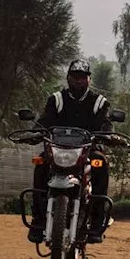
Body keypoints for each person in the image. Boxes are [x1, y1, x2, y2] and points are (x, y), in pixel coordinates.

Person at [27, 59, 113, 243]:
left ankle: (97, 223)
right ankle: (38, 220)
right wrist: (35, 132)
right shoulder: (57, 99)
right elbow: (45, 120)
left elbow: (106, 123)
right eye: (75, 77)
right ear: (68, 78)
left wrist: (108, 135)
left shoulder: (99, 102)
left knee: (101, 164)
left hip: (87, 151)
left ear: (89, 79)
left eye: (83, 77)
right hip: (57, 150)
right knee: (40, 163)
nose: (78, 81)